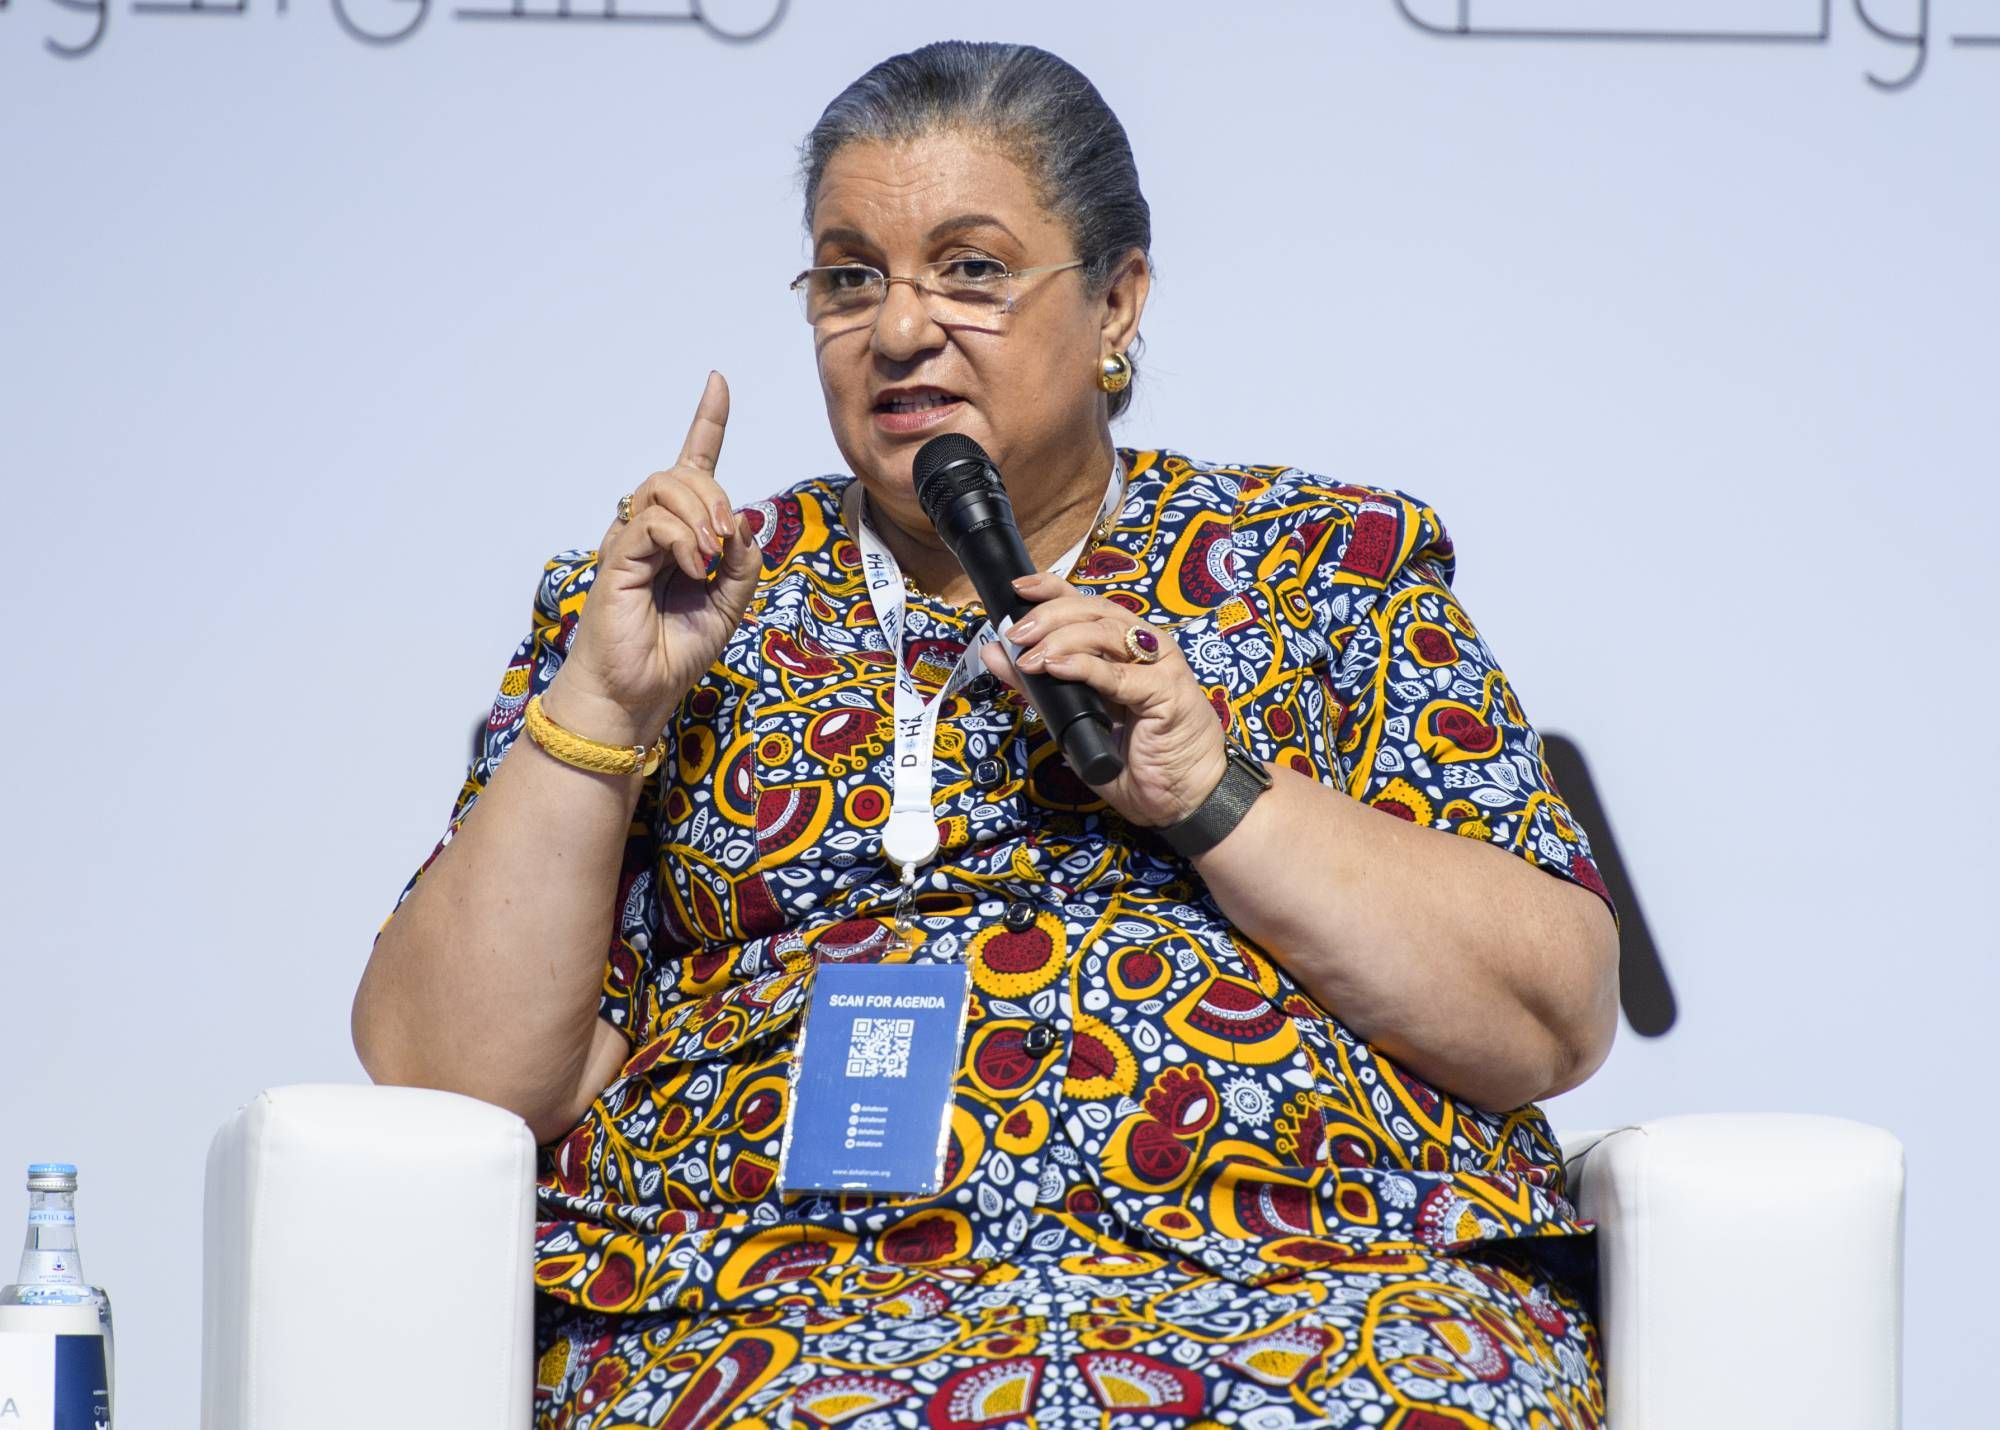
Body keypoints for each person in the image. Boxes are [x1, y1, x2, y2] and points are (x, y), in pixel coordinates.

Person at [353, 40, 1620, 1429]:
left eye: (970, 269)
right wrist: (602, 707)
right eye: (849, 278)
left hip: (1327, 1277)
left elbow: (1548, 1015)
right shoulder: (679, 592)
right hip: (769, 1308)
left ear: (1116, 301)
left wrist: (1212, 791)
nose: (899, 329)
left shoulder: (1323, 564)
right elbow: (448, 1076)